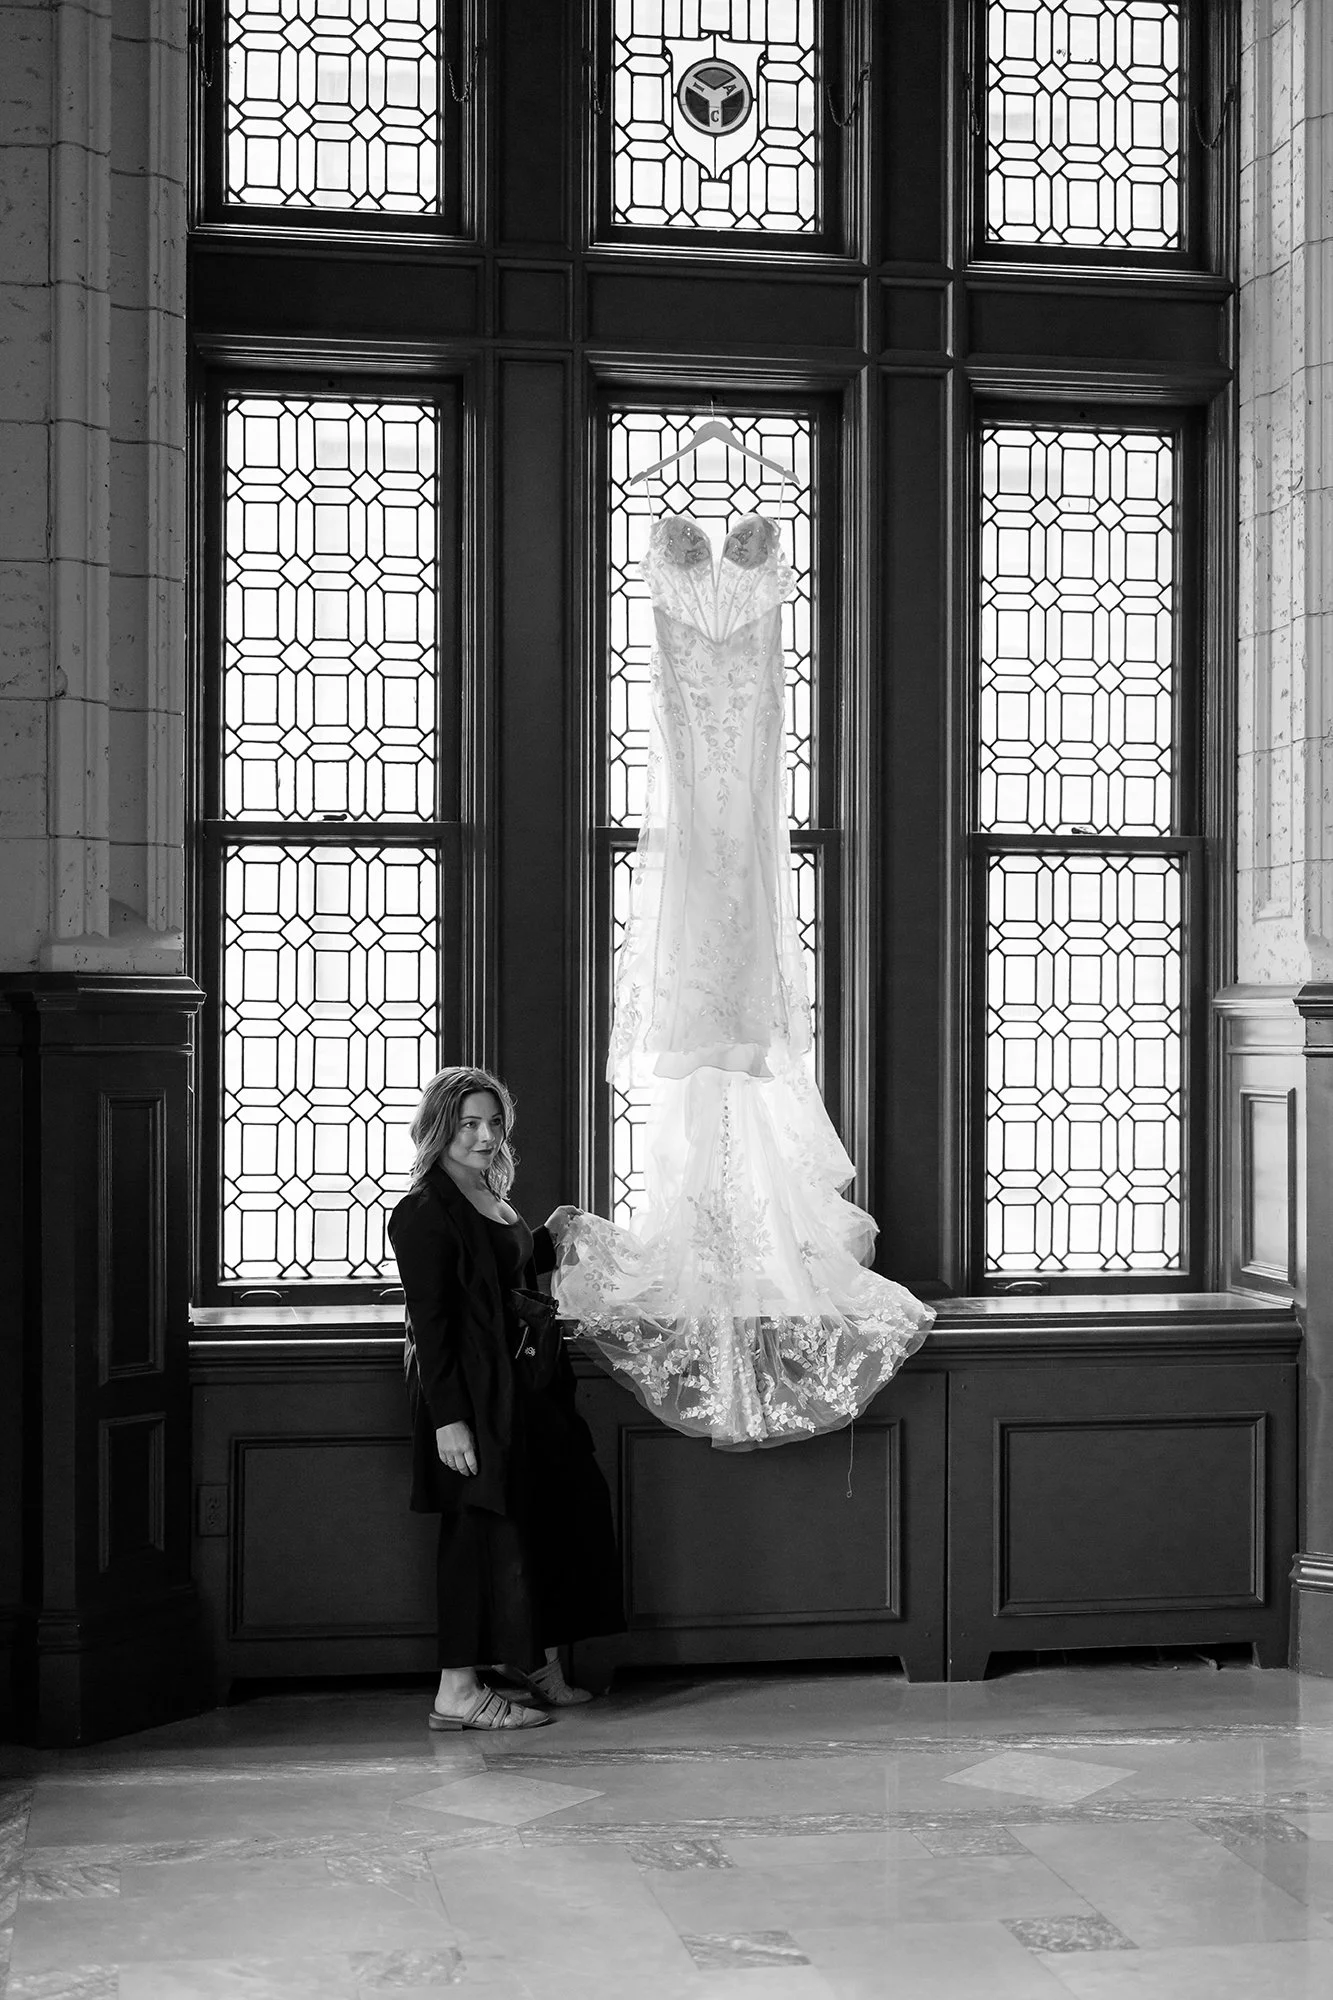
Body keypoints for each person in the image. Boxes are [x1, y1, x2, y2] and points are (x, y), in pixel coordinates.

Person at [389, 1066, 624, 1731]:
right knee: (477, 1534)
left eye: (493, 1122)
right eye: (468, 1123)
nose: (485, 1136)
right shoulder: (423, 1212)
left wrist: (553, 1230)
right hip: (475, 1399)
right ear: (439, 1127)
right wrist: (451, 1422)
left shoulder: (488, 1191)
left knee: (554, 1516)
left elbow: (507, 1274)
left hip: (528, 1390)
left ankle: (534, 1660)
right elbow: (429, 1326)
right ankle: (457, 1691)